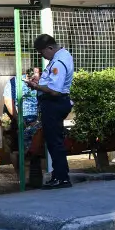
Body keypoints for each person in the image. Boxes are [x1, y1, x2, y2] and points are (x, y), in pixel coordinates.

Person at [24, 34, 74, 189]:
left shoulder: (59, 61)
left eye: (42, 52)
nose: (42, 56)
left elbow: (54, 90)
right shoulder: (61, 56)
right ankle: (59, 176)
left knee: (54, 142)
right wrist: (40, 82)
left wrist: (35, 86)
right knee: (53, 141)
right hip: (55, 104)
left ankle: (62, 178)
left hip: (54, 104)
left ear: (50, 48)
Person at [2, 68, 43, 188]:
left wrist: (38, 120)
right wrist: (19, 119)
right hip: (16, 118)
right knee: (15, 149)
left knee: (34, 147)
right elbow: (9, 102)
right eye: (37, 75)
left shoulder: (41, 83)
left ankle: (34, 176)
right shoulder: (14, 82)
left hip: (35, 120)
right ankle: (21, 177)